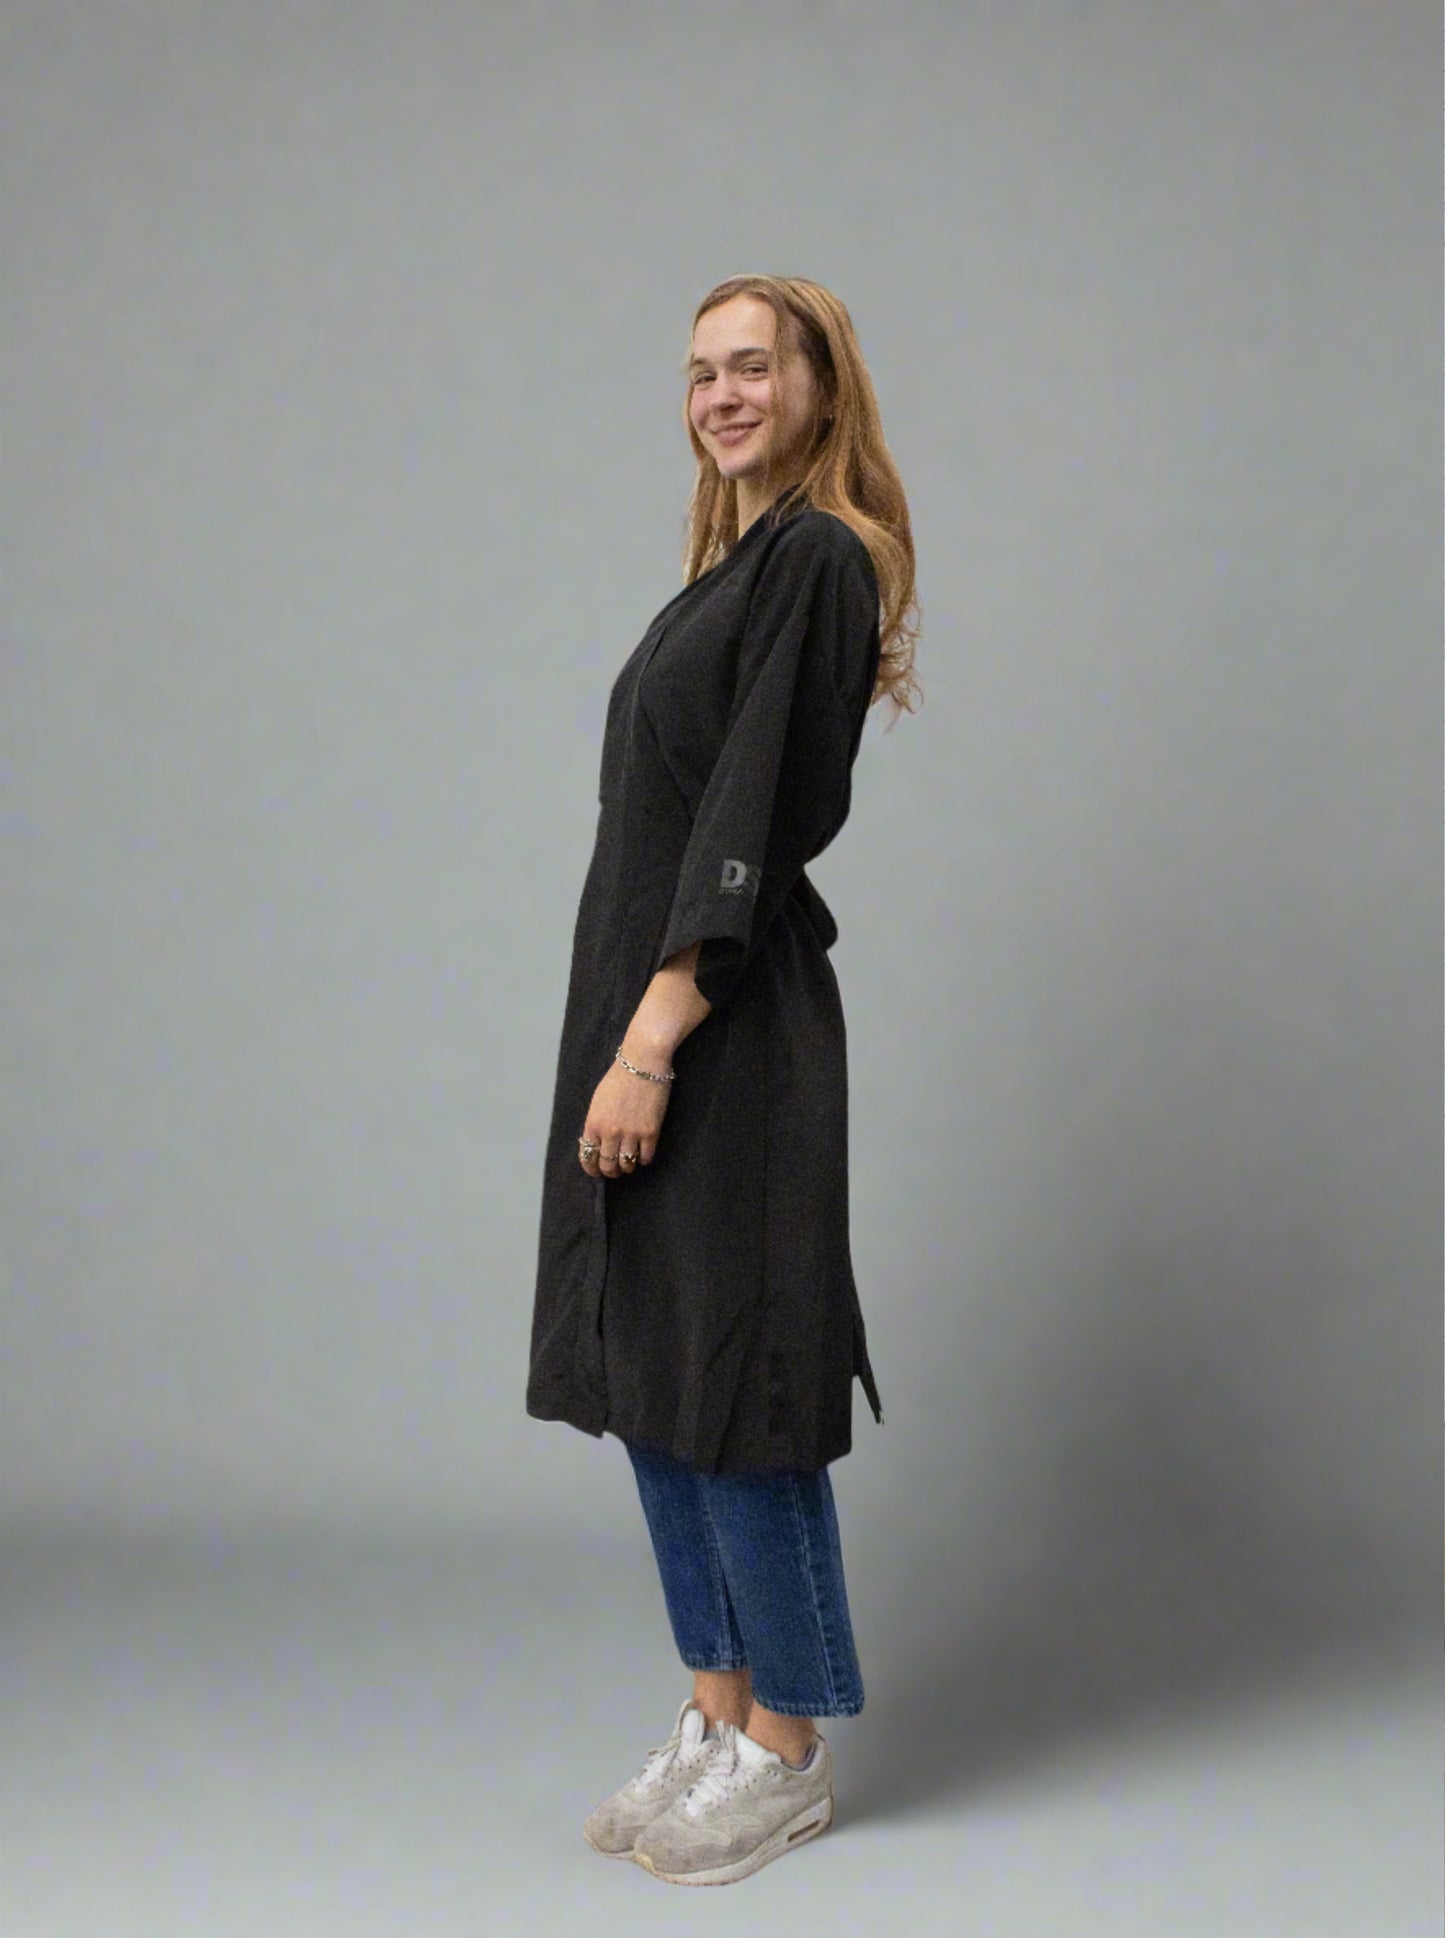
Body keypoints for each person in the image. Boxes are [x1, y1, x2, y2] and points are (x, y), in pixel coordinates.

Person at [526, 273, 920, 1885]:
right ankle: (712, 1706)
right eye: (700, 370)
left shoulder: (819, 559)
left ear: (823, 384)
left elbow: (751, 825)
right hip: (645, 1009)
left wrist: (652, 1036)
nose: (722, 392)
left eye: (753, 364)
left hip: (718, 1030)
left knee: (741, 1382)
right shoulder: (724, 569)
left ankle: (787, 1744)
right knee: (653, 1371)